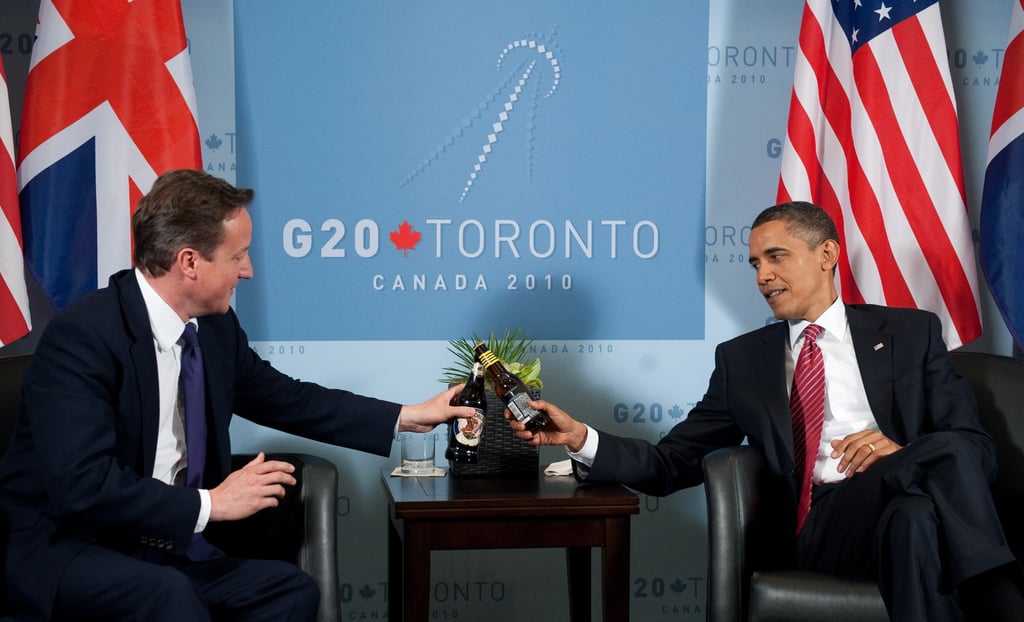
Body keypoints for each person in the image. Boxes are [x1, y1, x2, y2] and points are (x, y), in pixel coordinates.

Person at [509, 201, 1024, 621]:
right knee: (937, 462)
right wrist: (581, 438)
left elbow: (974, 449)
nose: (763, 275)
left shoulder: (911, 333)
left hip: (899, 518)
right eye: (756, 263)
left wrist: (900, 453)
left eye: (777, 257)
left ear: (827, 254)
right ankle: (997, 591)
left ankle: (977, 575)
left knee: (918, 513)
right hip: (822, 524)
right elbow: (672, 464)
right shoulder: (744, 361)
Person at [0, 169, 475, 621]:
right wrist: (211, 504)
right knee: (167, 596)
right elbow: (82, 484)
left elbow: (289, 399)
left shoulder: (214, 329)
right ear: (189, 261)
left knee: (288, 593)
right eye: (237, 255)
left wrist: (409, 415)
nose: (247, 271)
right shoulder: (84, 336)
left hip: (166, 548)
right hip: (73, 548)